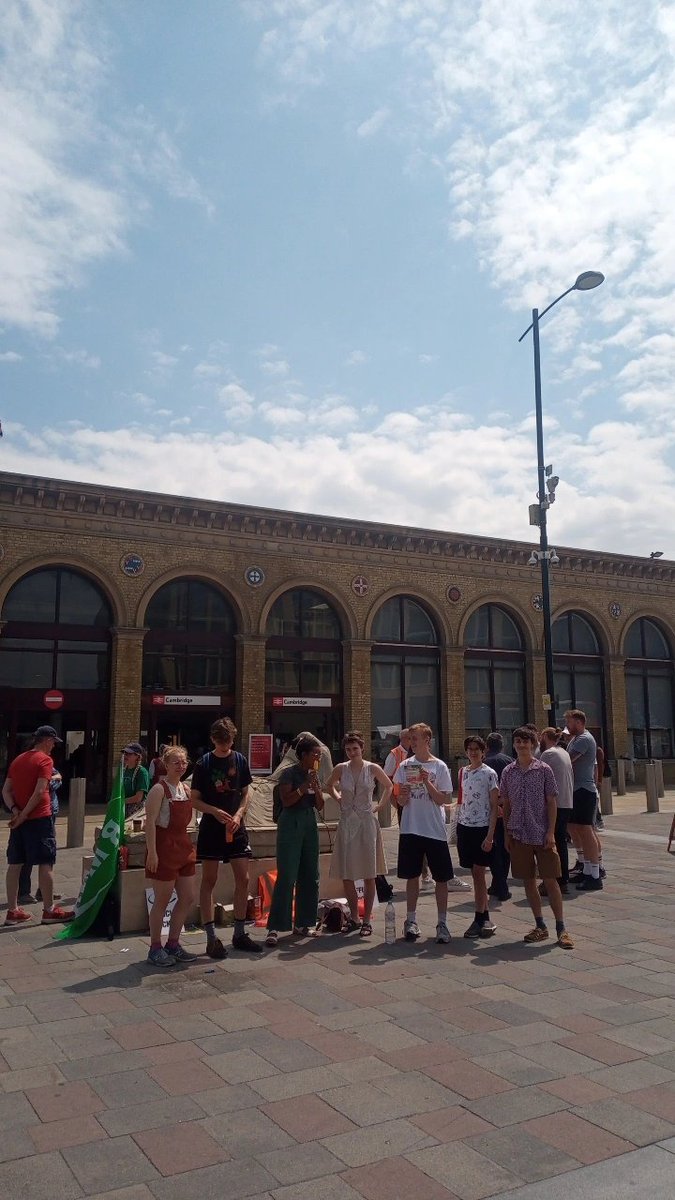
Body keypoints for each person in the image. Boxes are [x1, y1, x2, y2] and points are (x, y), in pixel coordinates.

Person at [191, 718, 261, 958]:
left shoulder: (239, 760)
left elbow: (246, 792)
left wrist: (240, 813)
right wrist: (211, 810)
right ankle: (211, 937)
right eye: (221, 742)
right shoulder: (204, 763)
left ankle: (239, 932)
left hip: (236, 825)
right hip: (212, 827)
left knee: (244, 877)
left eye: (228, 741)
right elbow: (194, 798)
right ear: (213, 740)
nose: (224, 745)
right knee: (209, 879)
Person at [500, 726, 574, 949]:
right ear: (513, 744)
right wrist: (506, 833)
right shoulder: (508, 772)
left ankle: (561, 928)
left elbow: (551, 802)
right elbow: (507, 804)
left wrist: (551, 832)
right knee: (528, 881)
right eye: (518, 741)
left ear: (533, 744)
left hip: (541, 833)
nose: (522, 745)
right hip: (519, 833)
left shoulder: (544, 769)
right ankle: (540, 925)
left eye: (526, 741)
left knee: (551, 880)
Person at [2, 726, 74, 926]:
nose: (53, 747)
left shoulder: (18, 760)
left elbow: (6, 790)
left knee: (15, 863)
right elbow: (41, 789)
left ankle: (12, 910)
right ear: (47, 740)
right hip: (39, 819)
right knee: (46, 862)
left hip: (19, 822)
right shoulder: (45, 760)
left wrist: (15, 811)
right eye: (53, 742)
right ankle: (49, 910)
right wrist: (25, 814)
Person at [326, 731, 392, 937]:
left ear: (362, 748)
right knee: (347, 873)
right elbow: (328, 785)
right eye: (348, 749)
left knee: (369, 873)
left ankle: (366, 919)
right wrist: (339, 799)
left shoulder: (372, 768)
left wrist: (379, 806)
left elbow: (388, 786)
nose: (352, 752)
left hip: (366, 821)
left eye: (355, 748)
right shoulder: (340, 768)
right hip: (347, 822)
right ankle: (354, 916)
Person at [393, 722, 454, 944]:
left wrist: (427, 782)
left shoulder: (440, 767)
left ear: (427, 740)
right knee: (411, 876)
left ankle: (442, 922)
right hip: (411, 828)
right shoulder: (404, 766)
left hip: (434, 829)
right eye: (410, 738)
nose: (412, 742)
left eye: (416, 738)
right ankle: (410, 920)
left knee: (442, 878)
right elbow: (398, 799)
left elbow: (445, 799)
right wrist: (402, 796)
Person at [266, 735, 324, 947]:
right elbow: (287, 800)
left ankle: (304, 922)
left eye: (319, 754)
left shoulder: (314, 775)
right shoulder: (289, 773)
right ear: (304, 755)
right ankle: (275, 926)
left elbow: (319, 806)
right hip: (291, 821)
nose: (318, 757)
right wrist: (303, 787)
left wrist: (316, 788)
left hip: (309, 820)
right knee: (287, 874)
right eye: (315, 754)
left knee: (310, 873)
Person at [144, 745, 197, 967]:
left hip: (183, 846)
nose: (181, 766)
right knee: (162, 900)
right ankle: (155, 946)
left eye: (184, 762)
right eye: (176, 762)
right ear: (165, 765)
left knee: (187, 897)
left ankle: (173, 943)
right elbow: (150, 824)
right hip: (164, 847)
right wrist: (152, 853)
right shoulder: (159, 790)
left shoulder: (185, 789)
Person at [457, 736, 499, 938]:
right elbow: (462, 800)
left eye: (477, 749)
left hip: (482, 828)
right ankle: (484, 915)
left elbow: (493, 806)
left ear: (484, 752)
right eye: (470, 748)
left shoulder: (489, 774)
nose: (473, 752)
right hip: (465, 827)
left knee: (479, 873)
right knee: (474, 873)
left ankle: (479, 917)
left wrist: (490, 835)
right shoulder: (462, 772)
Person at [565, 709, 603, 892]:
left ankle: (595, 874)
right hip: (575, 790)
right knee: (574, 827)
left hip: (583, 790)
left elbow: (568, 760)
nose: (567, 725)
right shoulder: (574, 739)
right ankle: (585, 866)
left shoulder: (584, 739)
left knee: (586, 830)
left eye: (569, 722)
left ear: (579, 722)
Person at [18, 767, 62, 904]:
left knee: (49, 852)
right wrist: (53, 780)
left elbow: (57, 780)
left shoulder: (47, 764)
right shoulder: (32, 764)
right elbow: (46, 786)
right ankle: (24, 892)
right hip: (36, 813)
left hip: (50, 812)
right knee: (28, 853)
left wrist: (53, 779)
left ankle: (44, 891)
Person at [538, 727, 574, 895]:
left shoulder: (548, 754)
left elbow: (539, 777)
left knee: (550, 843)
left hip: (554, 804)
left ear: (545, 736)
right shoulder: (563, 751)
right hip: (566, 801)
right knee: (561, 842)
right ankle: (563, 879)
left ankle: (553, 880)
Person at [484, 731, 513, 901]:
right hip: (507, 808)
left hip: (491, 810)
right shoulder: (509, 761)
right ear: (502, 746)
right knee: (505, 848)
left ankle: (500, 884)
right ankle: (498, 884)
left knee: (494, 848)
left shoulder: (484, 763)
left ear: (487, 746)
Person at [383, 728, 411, 825]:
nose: (412, 741)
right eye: (410, 738)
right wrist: (393, 800)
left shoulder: (416, 753)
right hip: (400, 797)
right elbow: (386, 778)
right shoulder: (394, 754)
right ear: (403, 739)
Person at [122, 743, 150, 820]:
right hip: (123, 808)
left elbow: (138, 798)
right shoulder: (123, 771)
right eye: (125, 753)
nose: (125, 756)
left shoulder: (141, 772)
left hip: (136, 811)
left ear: (137, 756)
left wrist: (121, 801)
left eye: (129, 754)